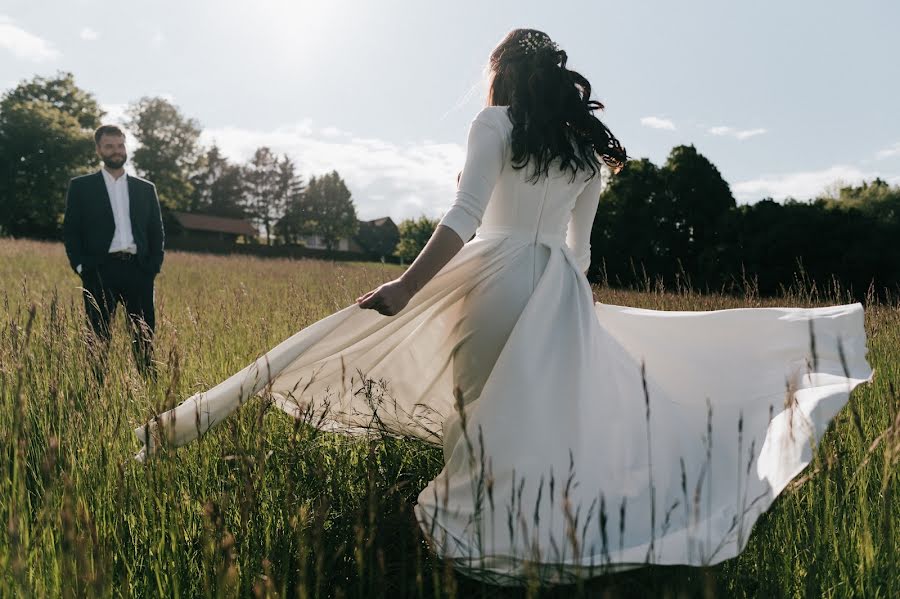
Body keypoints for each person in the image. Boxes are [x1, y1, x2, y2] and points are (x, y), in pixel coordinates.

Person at [134, 29, 871, 584]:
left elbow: (463, 217)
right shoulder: (588, 153)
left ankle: (475, 541)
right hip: (557, 291)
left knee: (471, 410)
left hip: (496, 275)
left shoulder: (495, 125)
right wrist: (575, 308)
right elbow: (579, 253)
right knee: (530, 421)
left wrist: (405, 287)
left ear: (504, 73)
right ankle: (529, 535)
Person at [63, 125, 165, 379]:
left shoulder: (145, 188)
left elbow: (156, 231)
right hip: (99, 270)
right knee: (97, 338)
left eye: (120, 145)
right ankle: (95, 394)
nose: (116, 151)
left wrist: (152, 267)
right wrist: (81, 267)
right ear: (98, 149)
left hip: (138, 270)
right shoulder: (81, 187)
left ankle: (149, 393)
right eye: (109, 146)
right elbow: (71, 231)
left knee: (143, 338)